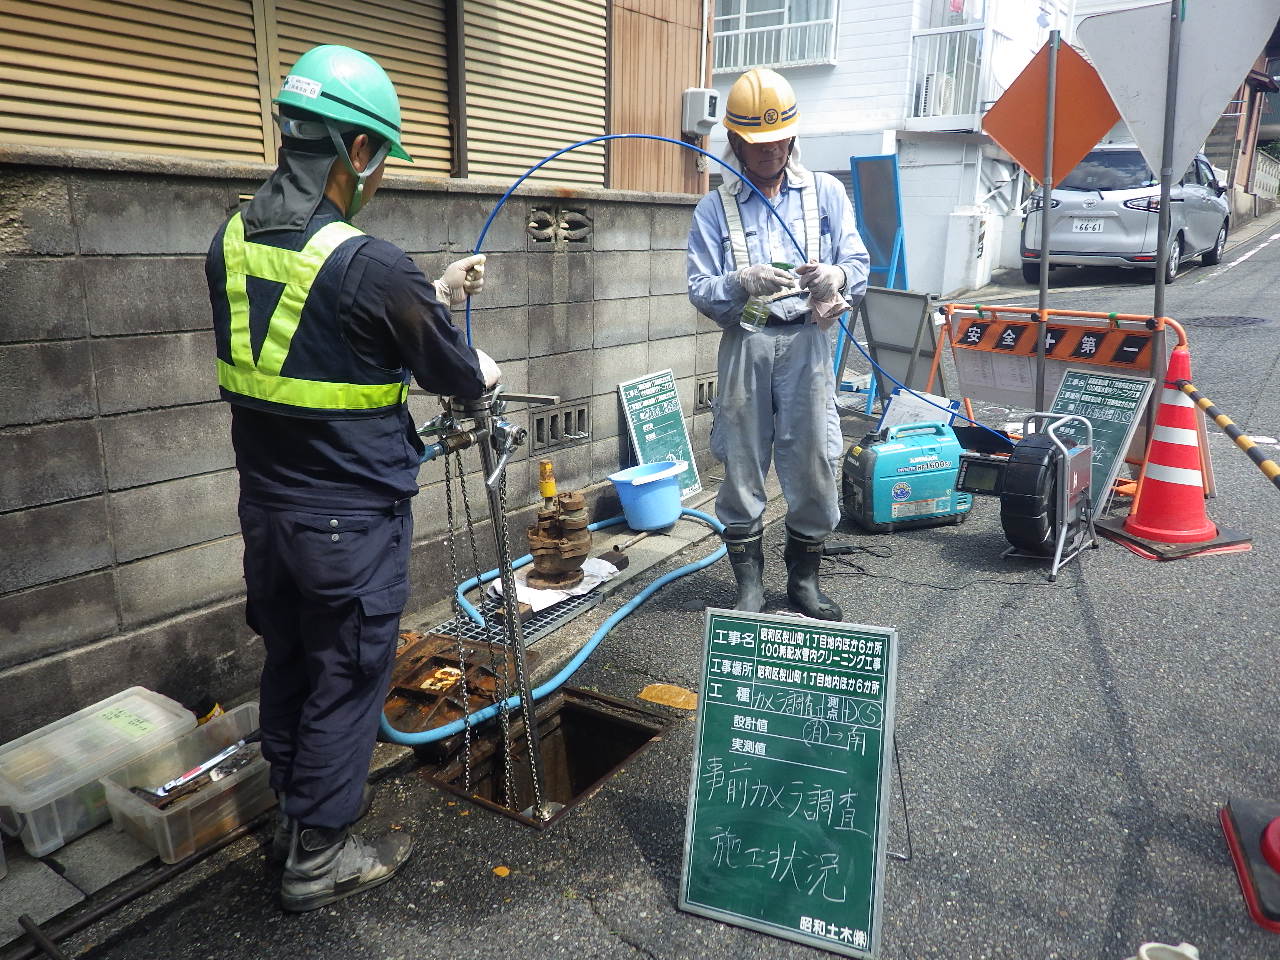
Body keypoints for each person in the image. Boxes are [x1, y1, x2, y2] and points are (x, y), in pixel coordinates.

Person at [205, 44, 501, 912]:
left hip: (267, 511)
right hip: (348, 524)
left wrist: (430, 292)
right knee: (348, 673)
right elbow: (451, 373)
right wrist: (457, 333)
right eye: (378, 160)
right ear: (358, 152)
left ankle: (296, 815)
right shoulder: (372, 264)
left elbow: (314, 342)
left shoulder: (226, 242)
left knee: (291, 659)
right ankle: (318, 858)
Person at [687, 67, 870, 621]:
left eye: (776, 140)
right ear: (735, 141)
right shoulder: (713, 207)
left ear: (792, 136)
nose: (766, 152)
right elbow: (699, 288)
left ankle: (803, 580)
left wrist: (837, 276)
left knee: (815, 455)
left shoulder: (827, 193)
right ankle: (748, 584)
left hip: (809, 342)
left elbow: (859, 262)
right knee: (741, 458)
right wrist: (740, 283)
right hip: (746, 340)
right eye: (753, 143)